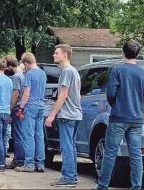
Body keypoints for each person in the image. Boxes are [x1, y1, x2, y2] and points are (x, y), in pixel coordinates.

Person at [95, 40, 144, 190]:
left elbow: (110, 93)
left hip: (118, 117)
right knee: (135, 154)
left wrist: (116, 104)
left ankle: (103, 185)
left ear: (123, 52)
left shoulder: (117, 71)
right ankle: (136, 186)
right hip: (136, 119)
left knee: (110, 153)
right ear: (138, 54)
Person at [45, 44, 82, 187]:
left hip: (67, 114)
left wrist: (51, 114)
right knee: (71, 146)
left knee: (66, 147)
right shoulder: (74, 71)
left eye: (56, 53)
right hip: (76, 114)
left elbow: (63, 95)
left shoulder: (66, 72)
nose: (54, 55)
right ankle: (72, 174)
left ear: (65, 54)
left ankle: (68, 177)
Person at [15, 52, 47, 173]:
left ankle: (29, 163)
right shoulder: (43, 73)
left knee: (28, 135)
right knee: (39, 135)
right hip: (41, 106)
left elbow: (26, 93)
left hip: (30, 107)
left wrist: (21, 108)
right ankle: (40, 163)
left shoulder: (29, 74)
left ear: (25, 63)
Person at [4, 55, 25, 169]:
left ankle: (18, 160)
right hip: (22, 106)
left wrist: (10, 107)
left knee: (18, 135)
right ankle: (21, 158)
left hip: (17, 107)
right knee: (21, 134)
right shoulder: (22, 74)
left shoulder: (16, 77)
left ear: (9, 65)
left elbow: (15, 93)